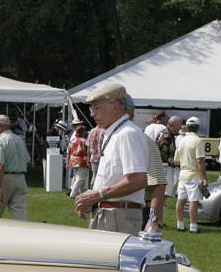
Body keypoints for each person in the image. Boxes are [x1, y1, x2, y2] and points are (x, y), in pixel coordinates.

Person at [73, 82, 147, 234]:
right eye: (91, 108)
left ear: (115, 107)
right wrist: (91, 198)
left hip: (118, 217)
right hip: (112, 214)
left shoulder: (127, 133)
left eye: (96, 107)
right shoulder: (114, 133)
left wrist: (98, 195)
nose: (92, 113)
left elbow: (138, 179)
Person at [126, 96, 167, 231]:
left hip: (136, 211)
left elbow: (159, 181)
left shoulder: (141, 139)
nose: (93, 113)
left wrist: (152, 219)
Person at [0, 114, 29, 220]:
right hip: (20, 179)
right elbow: (26, 160)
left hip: (5, 179)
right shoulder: (19, 140)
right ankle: (22, 234)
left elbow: (0, 166)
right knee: (20, 216)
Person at [174, 116, 208, 233]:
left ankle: (180, 225)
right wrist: (204, 178)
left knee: (180, 200)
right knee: (193, 201)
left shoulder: (181, 140)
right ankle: (193, 227)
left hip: (183, 174)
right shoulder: (198, 141)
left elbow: (176, 161)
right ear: (197, 128)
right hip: (194, 175)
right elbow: (200, 161)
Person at [157, 116, 183, 197]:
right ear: (175, 124)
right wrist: (174, 162)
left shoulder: (167, 133)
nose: (180, 128)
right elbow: (162, 153)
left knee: (166, 192)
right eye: (180, 126)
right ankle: (158, 208)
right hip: (165, 167)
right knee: (165, 192)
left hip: (166, 167)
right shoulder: (166, 135)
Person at [66, 120, 90, 198]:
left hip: (73, 161)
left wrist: (67, 162)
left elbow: (68, 152)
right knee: (80, 178)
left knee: (80, 178)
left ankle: (82, 194)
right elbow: (88, 152)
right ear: (83, 132)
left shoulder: (72, 141)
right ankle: (72, 194)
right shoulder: (85, 141)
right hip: (82, 161)